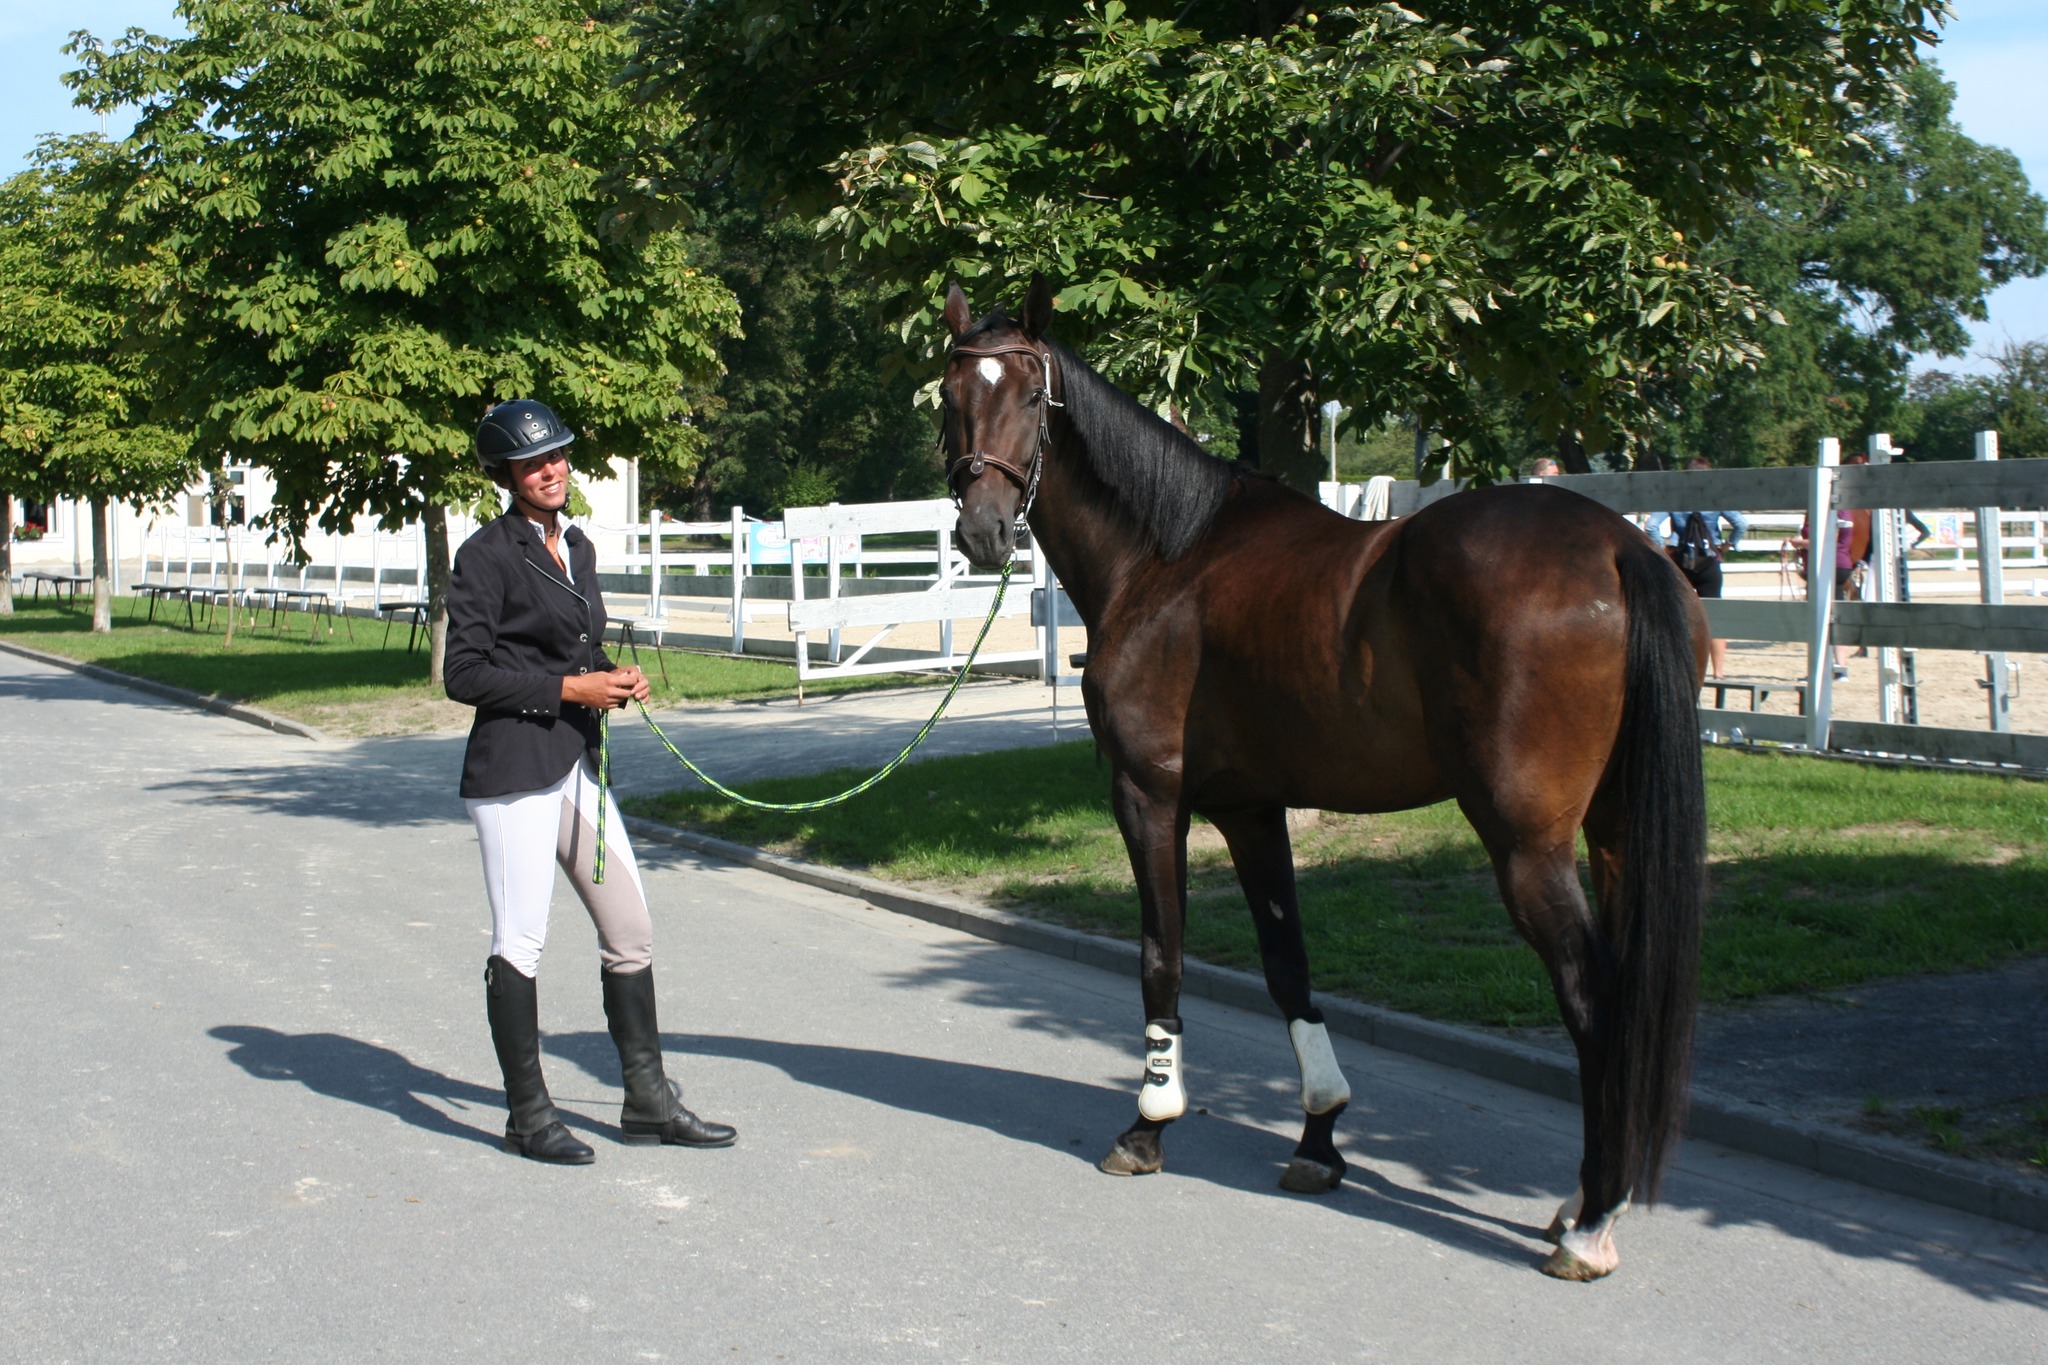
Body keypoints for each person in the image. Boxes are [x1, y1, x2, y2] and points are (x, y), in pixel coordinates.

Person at [445, 398, 736, 1164]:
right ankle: (528, 1114)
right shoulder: (485, 554)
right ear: (507, 474)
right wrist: (570, 691)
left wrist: (611, 676)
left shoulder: (577, 544)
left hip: (576, 762)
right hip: (514, 770)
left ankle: (647, 1100)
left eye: (560, 456)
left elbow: (573, 650)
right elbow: (464, 672)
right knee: (521, 941)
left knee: (630, 929)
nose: (552, 470)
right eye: (536, 463)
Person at [1653, 457, 1748, 679]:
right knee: (1715, 614)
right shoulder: (1715, 496)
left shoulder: (1673, 496)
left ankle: (1677, 667)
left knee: (1676, 612)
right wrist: (1728, 544)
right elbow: (1742, 524)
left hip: (1680, 559)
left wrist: (1661, 549)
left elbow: (1651, 526)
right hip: (1707, 558)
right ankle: (1718, 671)